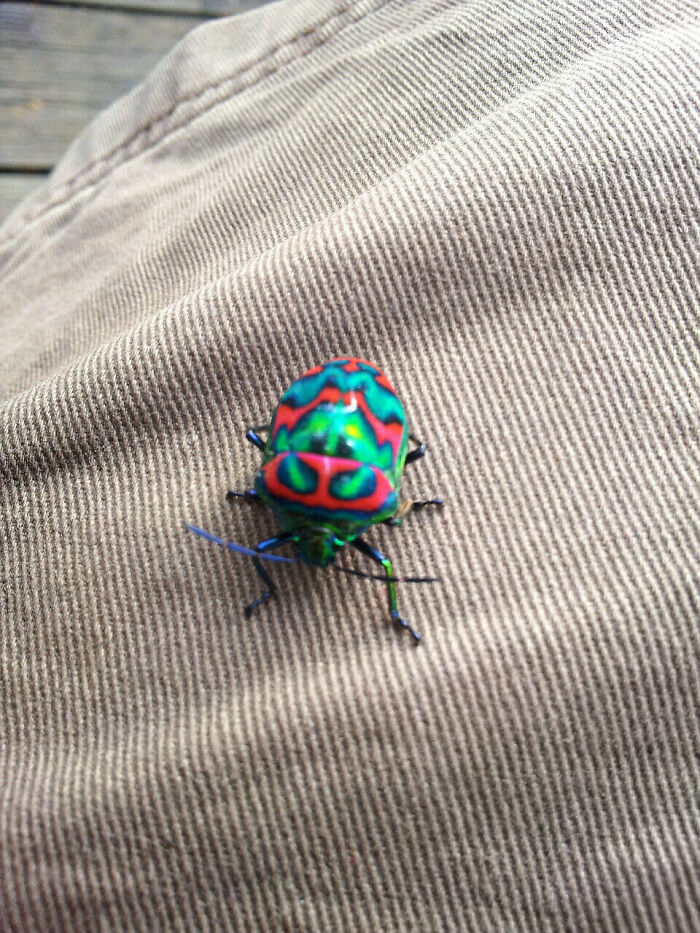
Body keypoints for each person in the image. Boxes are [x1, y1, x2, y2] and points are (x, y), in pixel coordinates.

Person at [1, 1, 698, 929]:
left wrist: (300, 489)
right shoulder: (347, 510)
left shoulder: (315, 506)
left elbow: (306, 486)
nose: (315, 557)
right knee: (316, 485)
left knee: (295, 480)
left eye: (307, 549)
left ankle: (368, 545)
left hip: (333, 432)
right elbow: (329, 493)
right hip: (343, 438)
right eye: (315, 548)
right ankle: (379, 569)